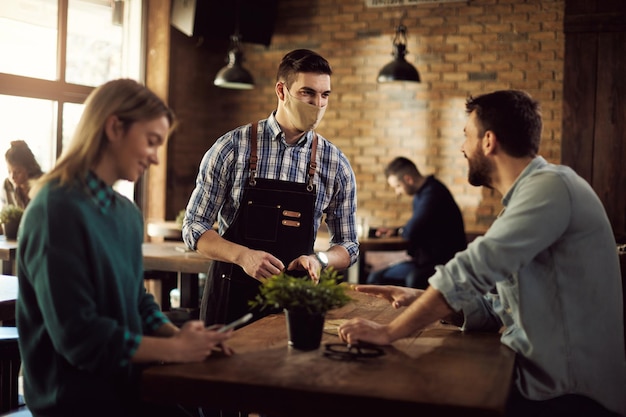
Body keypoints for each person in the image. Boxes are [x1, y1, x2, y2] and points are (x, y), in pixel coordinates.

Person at [338, 90, 626, 417]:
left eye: (465, 136)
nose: (462, 147)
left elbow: (470, 270)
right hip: (537, 382)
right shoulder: (524, 202)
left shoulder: (552, 187)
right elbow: (501, 308)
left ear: (488, 141)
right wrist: (420, 298)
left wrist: (388, 332)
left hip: (570, 397)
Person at [16, 79, 233, 417]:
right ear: (115, 127)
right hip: (75, 403)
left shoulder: (127, 213)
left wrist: (179, 337)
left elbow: (137, 300)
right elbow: (80, 339)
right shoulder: (54, 210)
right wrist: (176, 350)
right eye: (151, 142)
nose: (157, 158)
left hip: (128, 388)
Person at [183, 49, 359, 328]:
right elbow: (194, 226)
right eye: (307, 93)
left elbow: (348, 245)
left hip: (293, 301)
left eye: (324, 95)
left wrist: (320, 260)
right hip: (230, 296)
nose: (317, 103)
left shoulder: (335, 163)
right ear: (281, 91)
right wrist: (242, 256)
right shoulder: (232, 148)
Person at [366, 157, 466, 288]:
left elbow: (412, 230)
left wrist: (403, 231)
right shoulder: (422, 194)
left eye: (397, 186)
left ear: (408, 179)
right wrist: (395, 231)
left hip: (444, 264)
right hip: (424, 262)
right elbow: (419, 227)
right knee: (375, 278)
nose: (398, 193)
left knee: (413, 279)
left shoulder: (433, 193)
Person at [1, 139, 44, 209]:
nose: (12, 177)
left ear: (29, 168)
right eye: (9, 171)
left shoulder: (42, 184)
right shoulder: (7, 185)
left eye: (17, 172)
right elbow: (5, 214)